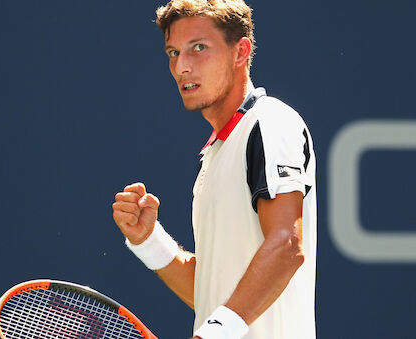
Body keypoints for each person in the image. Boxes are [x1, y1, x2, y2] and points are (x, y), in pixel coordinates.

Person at [112, 1, 317, 338]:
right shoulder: (215, 154)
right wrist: (150, 241)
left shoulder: (268, 123)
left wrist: (215, 332)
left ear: (241, 52)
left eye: (199, 48)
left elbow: (286, 246)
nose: (182, 66)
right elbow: (215, 295)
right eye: (173, 53)